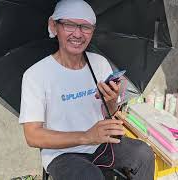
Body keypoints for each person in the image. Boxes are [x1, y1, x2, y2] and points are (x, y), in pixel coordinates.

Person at [19, 0, 154, 179]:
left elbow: (109, 114)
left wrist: (111, 102)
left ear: (92, 31)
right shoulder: (36, 74)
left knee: (143, 154)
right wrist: (86, 136)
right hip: (61, 154)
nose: (77, 34)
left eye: (85, 27)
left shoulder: (99, 63)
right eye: (69, 25)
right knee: (89, 176)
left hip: (100, 144)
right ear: (54, 26)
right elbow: (33, 136)